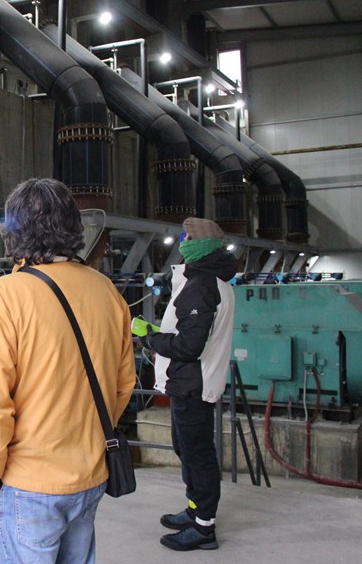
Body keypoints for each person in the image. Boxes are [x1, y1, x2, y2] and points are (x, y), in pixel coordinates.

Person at [0, 178, 136, 564]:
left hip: (28, 482)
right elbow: (123, 385)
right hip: (91, 475)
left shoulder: (2, 298)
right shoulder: (107, 292)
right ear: (74, 227)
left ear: (12, 232)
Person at [134, 216, 237, 552]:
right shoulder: (208, 279)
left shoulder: (202, 285)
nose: (183, 243)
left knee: (197, 454)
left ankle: (204, 527)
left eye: (188, 238)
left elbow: (189, 347)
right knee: (187, 449)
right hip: (189, 382)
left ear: (200, 245)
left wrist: (149, 338)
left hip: (193, 383)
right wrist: (158, 334)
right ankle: (195, 510)